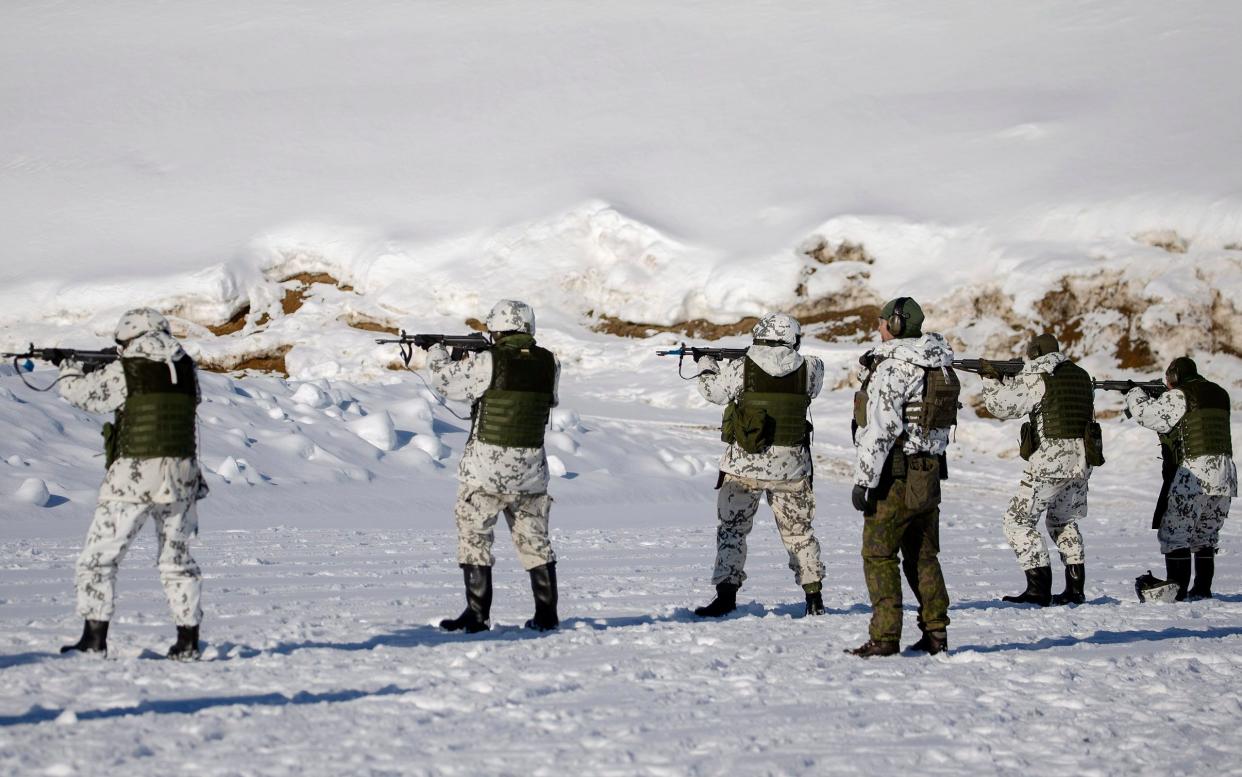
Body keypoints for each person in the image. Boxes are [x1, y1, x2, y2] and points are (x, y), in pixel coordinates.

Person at [56, 308, 207, 660]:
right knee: (177, 561)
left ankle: (94, 640)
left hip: (134, 477)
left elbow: (84, 396)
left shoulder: (128, 367)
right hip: (183, 475)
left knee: (99, 557)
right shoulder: (186, 368)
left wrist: (69, 367)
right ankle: (188, 642)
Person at [427, 300, 562, 632]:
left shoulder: (489, 360)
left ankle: (477, 614)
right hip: (531, 470)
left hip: (487, 469)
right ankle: (547, 615)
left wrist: (436, 353)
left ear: (498, 328)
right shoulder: (550, 362)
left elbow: (448, 383)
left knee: (475, 536)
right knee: (535, 539)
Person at [692, 313, 826, 618]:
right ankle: (813, 596)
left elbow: (713, 392)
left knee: (732, 531)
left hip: (745, 468)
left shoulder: (740, 368)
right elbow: (806, 384)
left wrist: (706, 363)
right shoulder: (812, 368)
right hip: (791, 468)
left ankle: (725, 597)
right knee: (799, 533)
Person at [848, 297, 956, 657]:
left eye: (882, 322)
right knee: (923, 556)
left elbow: (882, 428)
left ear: (894, 325)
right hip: (928, 473)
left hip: (894, 474)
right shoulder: (939, 365)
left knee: (878, 554)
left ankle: (884, 637)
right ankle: (936, 632)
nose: (878, 328)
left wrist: (864, 480)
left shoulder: (895, 368)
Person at [981, 334, 1097, 606]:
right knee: (1063, 521)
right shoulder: (1081, 376)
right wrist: (1010, 379)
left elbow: (1002, 406)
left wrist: (990, 380)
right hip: (1082, 461)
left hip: (1051, 462)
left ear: (1033, 352)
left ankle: (1038, 590)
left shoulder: (1038, 376)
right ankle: (1075, 590)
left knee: (1018, 521)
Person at [1126, 357, 1235, 600]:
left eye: (1168, 379)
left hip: (1195, 473)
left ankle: (1178, 590)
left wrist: (1135, 393)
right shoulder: (1220, 393)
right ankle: (1202, 589)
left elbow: (1149, 416)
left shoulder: (1179, 395)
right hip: (1225, 474)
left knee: (1175, 533)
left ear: (1175, 376)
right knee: (1205, 534)